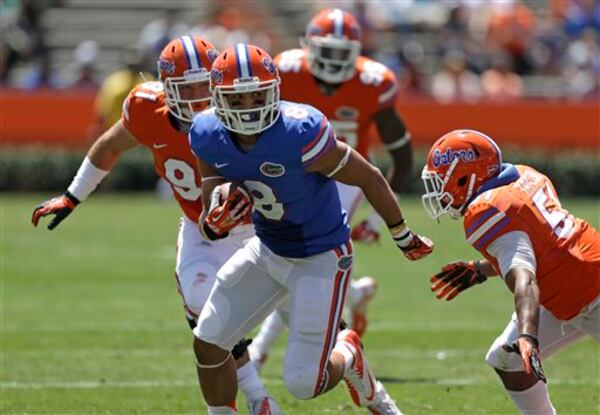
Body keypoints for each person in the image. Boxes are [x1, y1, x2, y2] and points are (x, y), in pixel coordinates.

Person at [30, 35, 280, 415]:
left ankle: (356, 377)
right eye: (187, 87)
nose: (198, 95)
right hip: (202, 230)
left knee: (311, 325)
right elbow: (111, 145)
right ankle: (255, 400)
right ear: (166, 87)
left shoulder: (240, 110)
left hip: (262, 228)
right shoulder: (147, 108)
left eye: (203, 84)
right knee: (203, 311)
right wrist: (72, 196)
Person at [189, 42, 434, 415]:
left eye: (256, 97)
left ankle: (349, 352)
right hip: (267, 249)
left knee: (304, 384)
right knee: (208, 342)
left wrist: (400, 232)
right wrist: (215, 219)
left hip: (320, 257)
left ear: (273, 91)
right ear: (218, 99)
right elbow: (211, 206)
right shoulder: (207, 132)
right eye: (236, 100)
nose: (248, 109)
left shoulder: (299, 131)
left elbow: (367, 175)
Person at [248, 9, 414, 366]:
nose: (335, 60)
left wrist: (378, 213)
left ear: (356, 52)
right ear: (308, 46)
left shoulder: (373, 81)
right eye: (328, 50)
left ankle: (259, 349)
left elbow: (401, 155)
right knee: (292, 257)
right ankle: (354, 293)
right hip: (294, 171)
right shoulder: (286, 71)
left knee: (296, 258)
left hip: (344, 177)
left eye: (343, 52)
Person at [421, 129, 600, 415]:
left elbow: (524, 277)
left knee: (518, 350)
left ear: (465, 177)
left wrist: (528, 335)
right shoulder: (524, 174)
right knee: (507, 358)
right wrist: (482, 270)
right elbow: (538, 246)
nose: (438, 192)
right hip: (569, 282)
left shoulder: (486, 210)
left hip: (590, 291)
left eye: (442, 179)